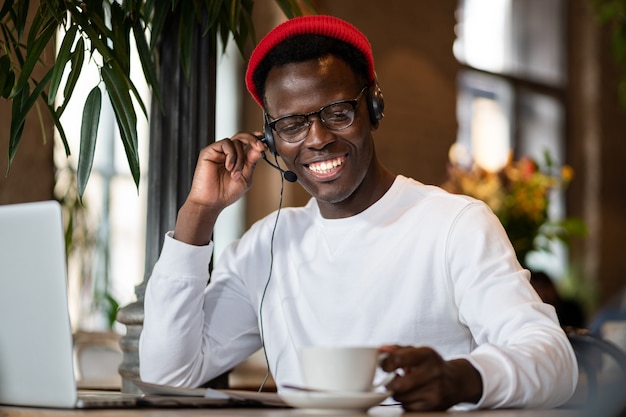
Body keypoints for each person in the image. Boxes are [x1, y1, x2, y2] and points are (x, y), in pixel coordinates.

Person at [139, 15, 577, 411]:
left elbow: (554, 360)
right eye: (291, 125)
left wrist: (462, 377)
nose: (317, 139)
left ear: (372, 108)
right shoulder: (267, 245)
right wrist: (199, 212)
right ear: (270, 141)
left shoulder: (455, 225)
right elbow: (167, 376)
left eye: (337, 112)